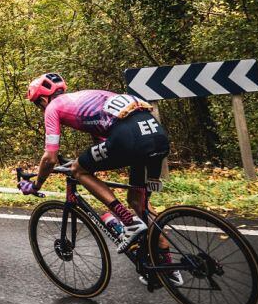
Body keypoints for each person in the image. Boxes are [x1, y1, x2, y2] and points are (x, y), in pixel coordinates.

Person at [18, 73, 178, 282]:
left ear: (42, 99)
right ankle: (168, 266)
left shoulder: (53, 108)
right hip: (156, 136)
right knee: (138, 203)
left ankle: (128, 222)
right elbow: (102, 141)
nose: (40, 109)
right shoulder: (87, 96)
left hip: (129, 137)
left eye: (37, 104)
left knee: (78, 170)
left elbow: (49, 157)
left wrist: (36, 183)